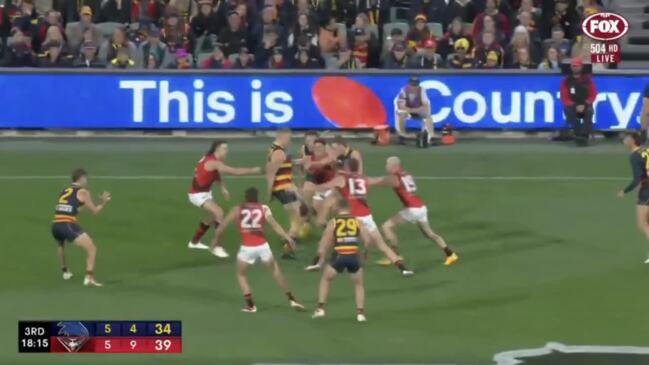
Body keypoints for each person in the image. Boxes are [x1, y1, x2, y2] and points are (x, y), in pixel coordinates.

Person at [306, 158, 414, 277]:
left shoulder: (342, 179)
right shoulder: (364, 179)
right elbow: (377, 181)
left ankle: (317, 262)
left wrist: (310, 187)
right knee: (381, 245)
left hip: (352, 217)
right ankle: (403, 269)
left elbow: (324, 187)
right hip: (366, 216)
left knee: (328, 237)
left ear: (346, 167)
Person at [213, 187, 305, 312]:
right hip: (263, 246)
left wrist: (216, 241)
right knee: (275, 271)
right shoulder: (264, 208)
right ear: (257, 197)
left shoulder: (236, 209)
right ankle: (292, 299)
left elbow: (221, 228)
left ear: (246, 197)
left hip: (247, 248)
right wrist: (287, 237)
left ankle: (250, 305)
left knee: (241, 274)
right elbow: (275, 225)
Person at [378, 156, 458, 266]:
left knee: (386, 226)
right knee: (429, 233)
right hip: (421, 207)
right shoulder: (407, 174)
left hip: (412, 209)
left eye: (387, 164)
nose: (385, 166)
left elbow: (381, 182)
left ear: (394, 166)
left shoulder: (395, 178)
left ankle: (394, 255)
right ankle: (450, 254)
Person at [187, 140, 261, 257]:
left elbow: (215, 174)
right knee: (219, 213)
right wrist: (253, 170)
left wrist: (222, 188)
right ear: (217, 149)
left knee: (211, 217)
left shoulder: (210, 158)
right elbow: (234, 171)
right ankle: (216, 246)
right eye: (225, 148)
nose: (227, 151)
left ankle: (194, 242)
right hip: (197, 194)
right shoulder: (213, 162)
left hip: (204, 193)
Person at [311, 198, 368, 322]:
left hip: (339, 256)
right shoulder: (358, 221)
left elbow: (326, 239)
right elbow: (367, 239)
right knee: (358, 284)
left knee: (326, 279)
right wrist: (365, 252)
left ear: (338, 208)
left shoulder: (334, 221)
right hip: (354, 255)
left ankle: (320, 308)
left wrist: (321, 255)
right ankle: (360, 313)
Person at [51, 168, 110, 287]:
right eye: (86, 178)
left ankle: (65, 271)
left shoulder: (65, 190)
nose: (87, 181)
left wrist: (81, 206)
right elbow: (94, 211)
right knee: (91, 248)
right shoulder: (83, 192)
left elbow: (73, 208)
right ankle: (89, 277)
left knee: (61, 244)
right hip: (67, 225)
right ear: (81, 178)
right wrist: (103, 202)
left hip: (56, 225)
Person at [266, 129, 304, 259]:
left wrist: (298, 161)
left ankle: (290, 238)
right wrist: (270, 191)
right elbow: (271, 172)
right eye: (289, 138)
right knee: (298, 215)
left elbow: (284, 164)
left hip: (285, 187)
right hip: (283, 188)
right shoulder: (279, 152)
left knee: (297, 215)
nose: (290, 140)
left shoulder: (276, 149)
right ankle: (288, 245)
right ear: (282, 136)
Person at [617, 133, 649, 263]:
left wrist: (624, 191)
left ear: (632, 141)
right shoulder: (647, 149)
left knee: (642, 223)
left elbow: (637, 179)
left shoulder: (634, 156)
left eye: (626, 138)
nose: (624, 141)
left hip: (647, 190)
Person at [559, 57, 597, 145]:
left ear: (581, 67)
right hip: (572, 106)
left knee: (589, 111)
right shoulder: (566, 81)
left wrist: (585, 104)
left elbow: (593, 95)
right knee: (572, 113)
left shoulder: (588, 80)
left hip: (585, 105)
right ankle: (577, 134)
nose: (575, 67)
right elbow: (564, 98)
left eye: (577, 66)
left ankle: (584, 135)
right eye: (573, 66)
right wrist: (575, 106)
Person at [394, 76, 435, 145]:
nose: (414, 87)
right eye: (412, 85)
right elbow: (401, 106)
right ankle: (401, 136)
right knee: (400, 114)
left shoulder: (422, 90)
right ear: (409, 84)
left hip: (417, 110)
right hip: (408, 111)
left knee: (428, 116)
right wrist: (411, 110)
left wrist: (413, 110)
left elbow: (425, 106)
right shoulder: (404, 90)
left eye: (416, 85)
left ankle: (430, 136)